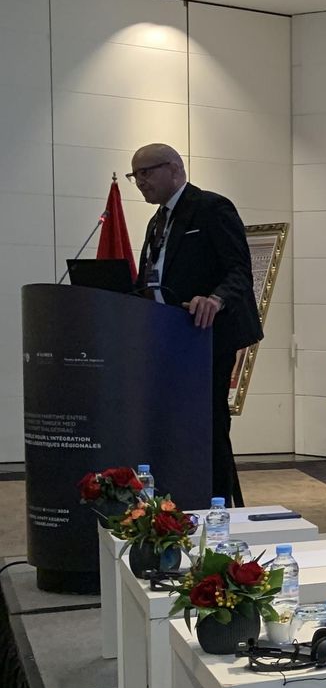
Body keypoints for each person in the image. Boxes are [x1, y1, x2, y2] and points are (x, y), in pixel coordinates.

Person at [130, 143, 262, 505]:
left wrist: (215, 299)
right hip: (168, 339)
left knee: (208, 426)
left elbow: (239, 271)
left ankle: (216, 503)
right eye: (135, 175)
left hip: (206, 337)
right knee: (174, 427)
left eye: (146, 172)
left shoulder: (211, 207)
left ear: (174, 168)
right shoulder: (156, 221)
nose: (140, 182)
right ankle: (177, 499)